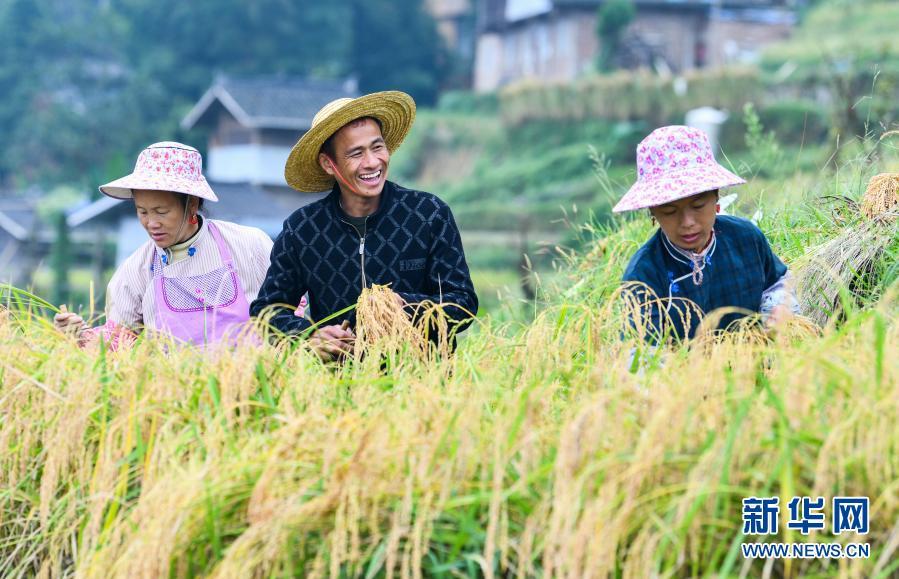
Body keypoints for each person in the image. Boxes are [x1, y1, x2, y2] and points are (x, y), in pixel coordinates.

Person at [250, 91, 478, 360]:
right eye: (356, 153)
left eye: (377, 147)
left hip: (422, 386)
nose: (372, 162)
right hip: (338, 387)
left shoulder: (428, 214)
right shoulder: (302, 229)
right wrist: (310, 335)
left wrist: (403, 306)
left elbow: (463, 304)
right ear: (328, 163)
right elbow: (267, 310)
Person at [54, 142, 273, 347]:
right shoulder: (137, 269)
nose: (151, 223)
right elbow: (117, 342)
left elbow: (285, 311)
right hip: (172, 386)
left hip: (249, 382)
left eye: (161, 212)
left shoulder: (248, 244)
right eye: (142, 212)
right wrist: (80, 335)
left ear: (192, 204)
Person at [615, 125, 798, 342]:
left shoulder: (745, 239)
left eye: (699, 205)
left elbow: (777, 283)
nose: (687, 223)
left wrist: (777, 310)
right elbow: (644, 355)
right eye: (670, 211)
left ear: (716, 198)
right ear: (653, 212)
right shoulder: (644, 275)